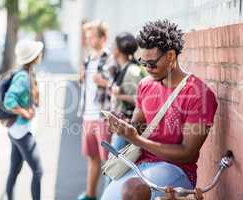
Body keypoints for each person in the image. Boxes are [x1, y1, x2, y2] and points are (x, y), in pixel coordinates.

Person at [101, 19, 218, 200]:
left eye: (152, 63)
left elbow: (187, 153)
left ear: (171, 56)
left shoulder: (199, 94)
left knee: (132, 192)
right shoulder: (145, 85)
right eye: (143, 62)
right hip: (140, 164)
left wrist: (136, 139)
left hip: (177, 170)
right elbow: (138, 128)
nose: (148, 69)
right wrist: (124, 127)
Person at [4, 40, 43, 200]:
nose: (41, 54)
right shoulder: (22, 77)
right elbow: (9, 100)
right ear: (33, 57)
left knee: (14, 169)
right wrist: (24, 113)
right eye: (38, 52)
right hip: (21, 131)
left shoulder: (28, 73)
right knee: (38, 171)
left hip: (16, 130)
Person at [77, 20, 112, 200]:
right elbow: (86, 86)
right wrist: (81, 77)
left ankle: (109, 196)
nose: (89, 40)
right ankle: (90, 195)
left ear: (103, 38)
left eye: (92, 37)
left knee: (109, 160)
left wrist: (105, 82)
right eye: (87, 37)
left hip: (103, 116)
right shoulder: (88, 59)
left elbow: (119, 86)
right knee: (92, 157)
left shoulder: (110, 58)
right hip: (87, 115)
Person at [110, 32, 145, 151]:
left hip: (127, 128)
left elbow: (142, 101)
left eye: (114, 45)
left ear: (118, 49)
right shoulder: (123, 68)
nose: (111, 48)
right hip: (120, 127)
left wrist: (120, 96)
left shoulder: (132, 71)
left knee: (116, 166)